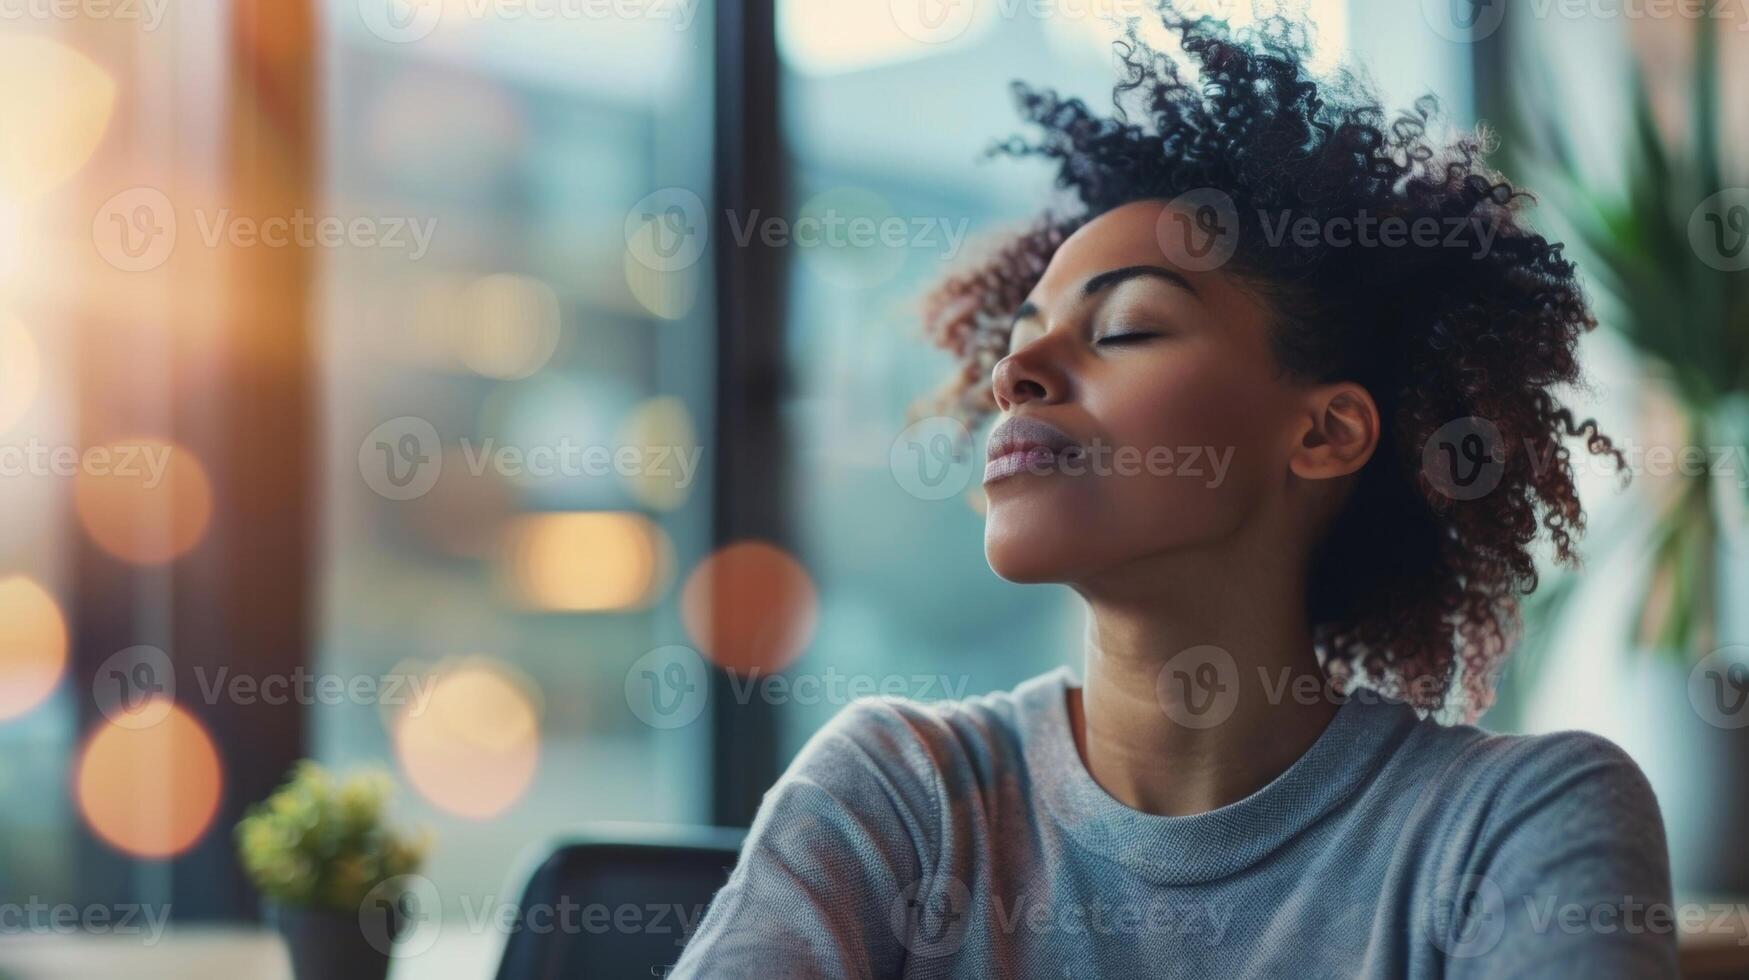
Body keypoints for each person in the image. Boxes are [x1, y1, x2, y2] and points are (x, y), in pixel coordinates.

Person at [671, 3, 1675, 976]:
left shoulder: (1513, 821)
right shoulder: (900, 795)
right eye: (1019, 344)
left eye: (1126, 329)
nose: (1012, 378)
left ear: (1324, 432)